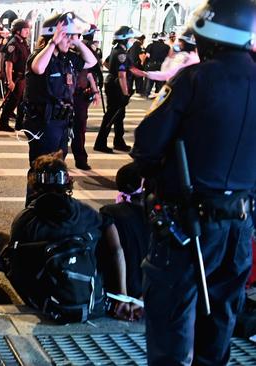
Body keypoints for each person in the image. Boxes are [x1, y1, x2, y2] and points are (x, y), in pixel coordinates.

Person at [130, 1, 256, 364]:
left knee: (170, 317)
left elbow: (147, 144)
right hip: (239, 226)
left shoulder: (192, 79)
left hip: (188, 224)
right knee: (220, 319)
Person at [0, 153, 140, 322]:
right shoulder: (88, 214)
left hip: (47, 302)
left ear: (35, 184)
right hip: (89, 301)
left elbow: (17, 265)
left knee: (0, 241)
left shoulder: (26, 219)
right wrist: (122, 296)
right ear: (67, 182)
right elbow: (116, 250)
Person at [22, 13, 96, 203]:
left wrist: (78, 42)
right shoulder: (40, 56)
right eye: (68, 36)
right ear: (54, 35)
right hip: (43, 123)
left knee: (57, 168)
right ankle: (33, 208)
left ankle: (52, 205)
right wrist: (53, 43)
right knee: (40, 168)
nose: (71, 41)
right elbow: (38, 68)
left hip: (62, 122)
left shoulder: (69, 58)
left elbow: (92, 62)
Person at [99, 162, 149, 299]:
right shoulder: (154, 214)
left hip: (121, 286)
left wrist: (123, 296)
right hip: (148, 287)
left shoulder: (109, 212)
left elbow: (117, 251)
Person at [94, 26, 139, 154]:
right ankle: (100, 143)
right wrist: (125, 93)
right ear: (125, 40)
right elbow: (122, 75)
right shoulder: (121, 54)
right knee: (112, 115)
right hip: (116, 88)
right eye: (131, 39)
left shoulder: (116, 50)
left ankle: (119, 141)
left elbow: (106, 63)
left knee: (119, 115)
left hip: (113, 85)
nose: (132, 41)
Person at [72, 23, 102, 171]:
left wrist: (95, 91)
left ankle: (80, 159)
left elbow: (90, 71)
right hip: (65, 94)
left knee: (79, 128)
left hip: (80, 93)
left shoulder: (85, 49)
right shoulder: (76, 48)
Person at [0, 19, 30, 132]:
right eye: (25, 29)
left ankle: (19, 124)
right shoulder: (13, 44)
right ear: (17, 31)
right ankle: (3, 123)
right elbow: (9, 63)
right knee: (12, 101)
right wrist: (10, 80)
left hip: (23, 78)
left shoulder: (23, 43)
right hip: (16, 77)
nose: (28, 32)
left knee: (22, 102)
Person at [133, 28, 199, 83]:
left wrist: (170, 57)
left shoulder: (186, 58)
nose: (179, 44)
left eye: (181, 41)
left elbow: (167, 74)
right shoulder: (192, 57)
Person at [143, 31, 170, 98]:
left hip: (151, 65)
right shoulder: (167, 47)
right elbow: (169, 58)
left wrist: (145, 65)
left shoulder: (151, 45)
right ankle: (158, 95)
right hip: (161, 66)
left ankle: (147, 94)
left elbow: (147, 56)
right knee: (160, 83)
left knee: (149, 81)